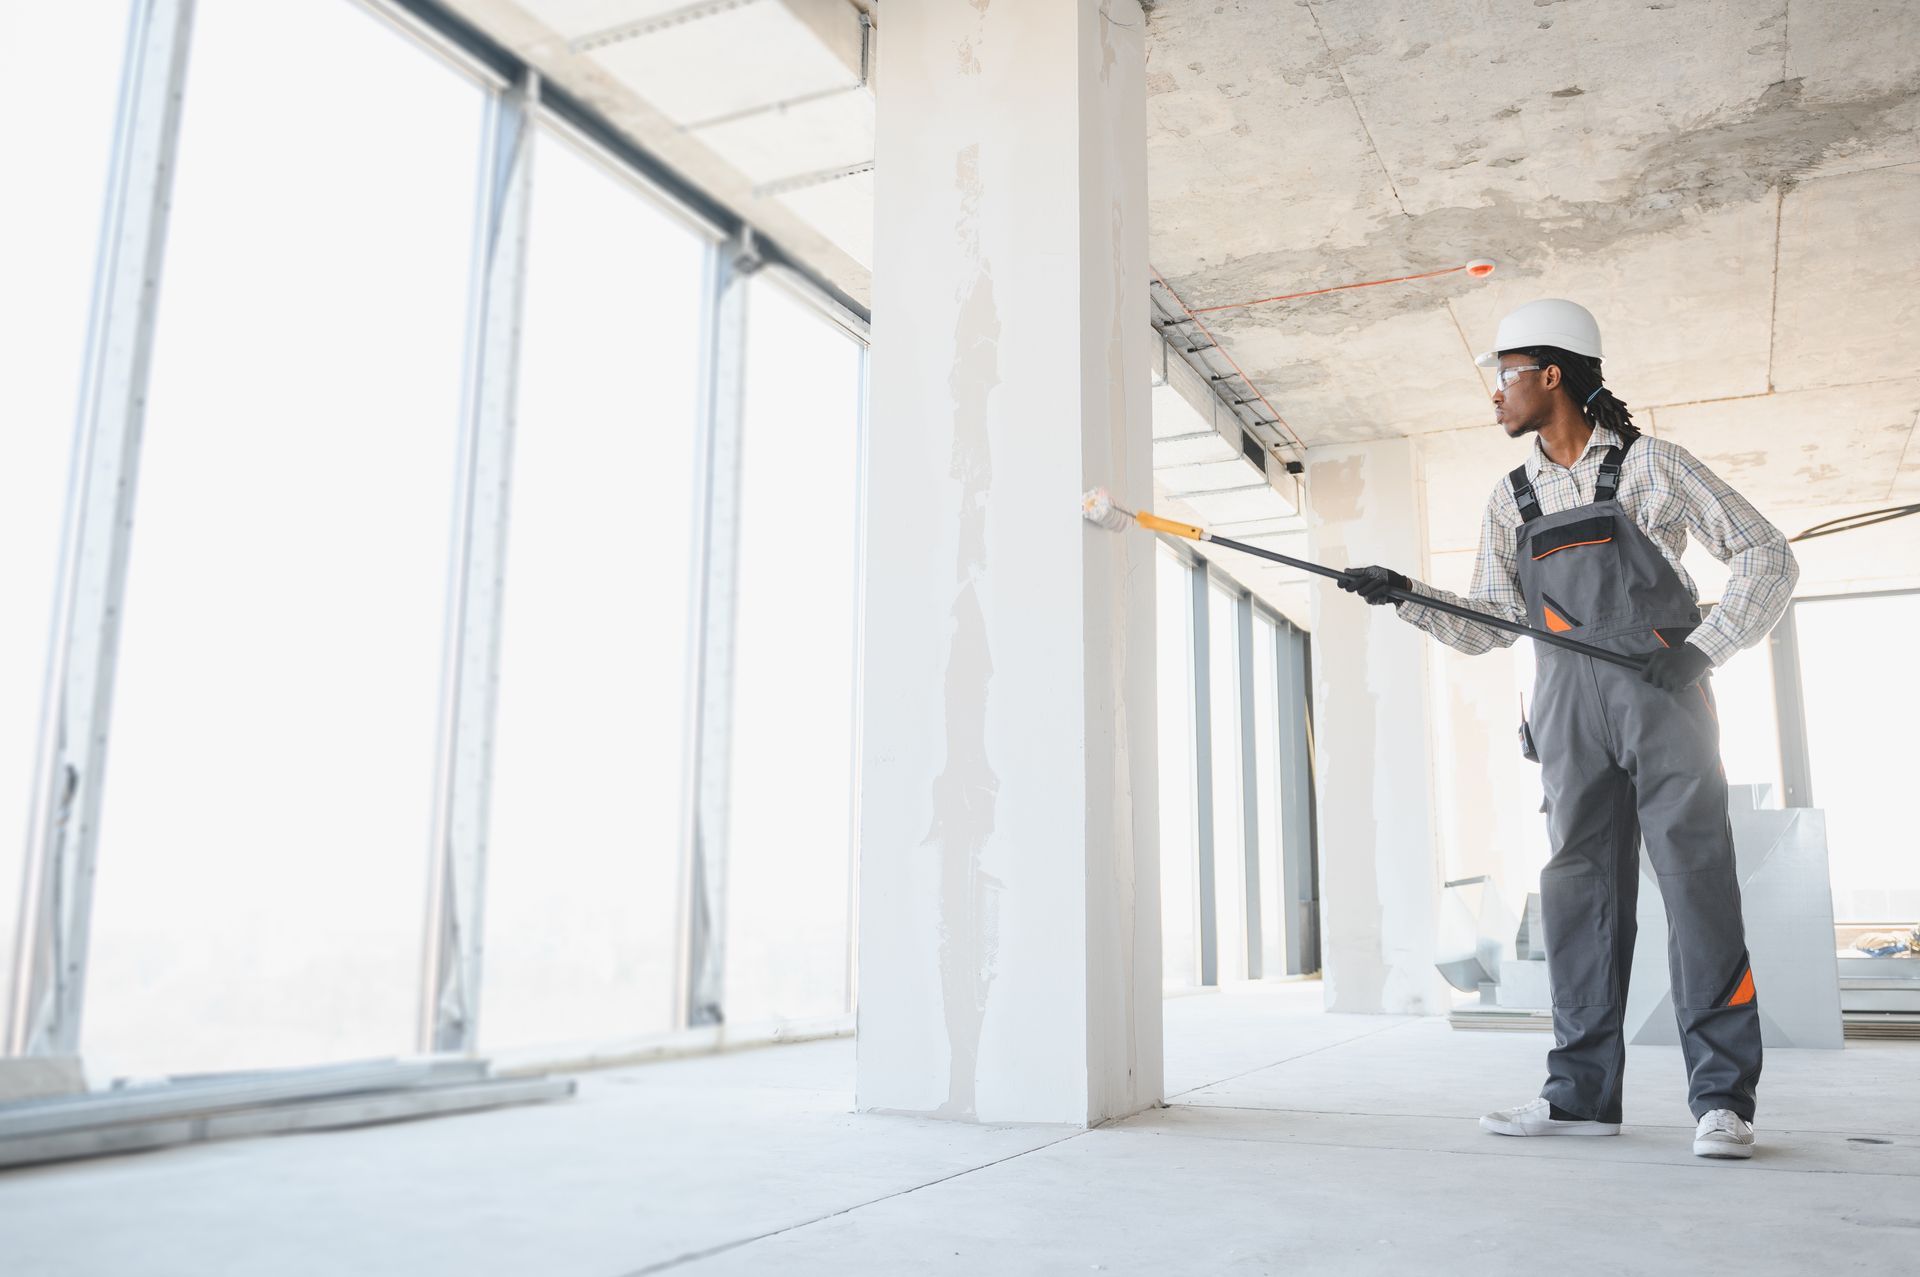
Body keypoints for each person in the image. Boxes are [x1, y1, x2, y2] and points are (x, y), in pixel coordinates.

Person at [1340, 298, 1798, 1160]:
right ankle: (1581, 1097)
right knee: (1579, 900)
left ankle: (1722, 1102)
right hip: (1562, 708)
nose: (1495, 395)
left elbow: (1768, 554)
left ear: (1552, 375)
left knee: (1697, 889)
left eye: (1505, 376)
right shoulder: (1510, 497)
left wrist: (1704, 650)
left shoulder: (1653, 466)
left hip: (1660, 696)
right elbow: (1489, 625)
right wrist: (1404, 594)